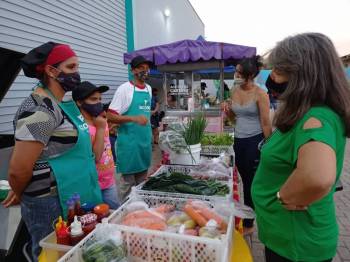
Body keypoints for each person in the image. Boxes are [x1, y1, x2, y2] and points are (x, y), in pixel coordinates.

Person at [251, 33, 350, 262]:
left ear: (302, 74)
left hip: (296, 244)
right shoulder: (307, 113)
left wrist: (281, 196)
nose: (272, 76)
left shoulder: (316, 118)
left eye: (277, 70)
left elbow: (317, 177)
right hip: (288, 239)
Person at [1, 42, 102, 261]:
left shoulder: (57, 104)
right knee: (51, 254)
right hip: (48, 203)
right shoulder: (40, 109)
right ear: (51, 70)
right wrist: (21, 192)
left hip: (66, 196)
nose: (77, 73)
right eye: (71, 67)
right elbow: (19, 170)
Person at [222, 56, 272, 234]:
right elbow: (234, 119)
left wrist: (269, 148)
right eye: (236, 71)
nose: (236, 75)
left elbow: (266, 123)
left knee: (251, 183)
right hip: (238, 140)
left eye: (239, 72)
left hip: (255, 141)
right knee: (243, 180)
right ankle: (248, 215)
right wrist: (228, 113)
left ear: (250, 75)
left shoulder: (261, 93)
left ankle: (250, 224)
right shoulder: (235, 90)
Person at [107, 55, 152, 200]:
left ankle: (140, 215)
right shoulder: (124, 89)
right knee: (127, 188)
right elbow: (110, 115)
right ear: (133, 71)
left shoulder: (149, 89)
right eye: (141, 68)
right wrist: (133, 118)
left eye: (147, 68)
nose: (145, 71)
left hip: (144, 143)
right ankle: (125, 217)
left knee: (141, 187)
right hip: (129, 145)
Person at [72, 81, 120, 209]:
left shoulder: (100, 120)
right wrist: (100, 129)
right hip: (92, 185)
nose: (98, 103)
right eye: (93, 99)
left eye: (100, 99)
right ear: (79, 102)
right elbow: (96, 157)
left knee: (114, 213)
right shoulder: (80, 128)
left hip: (109, 180)